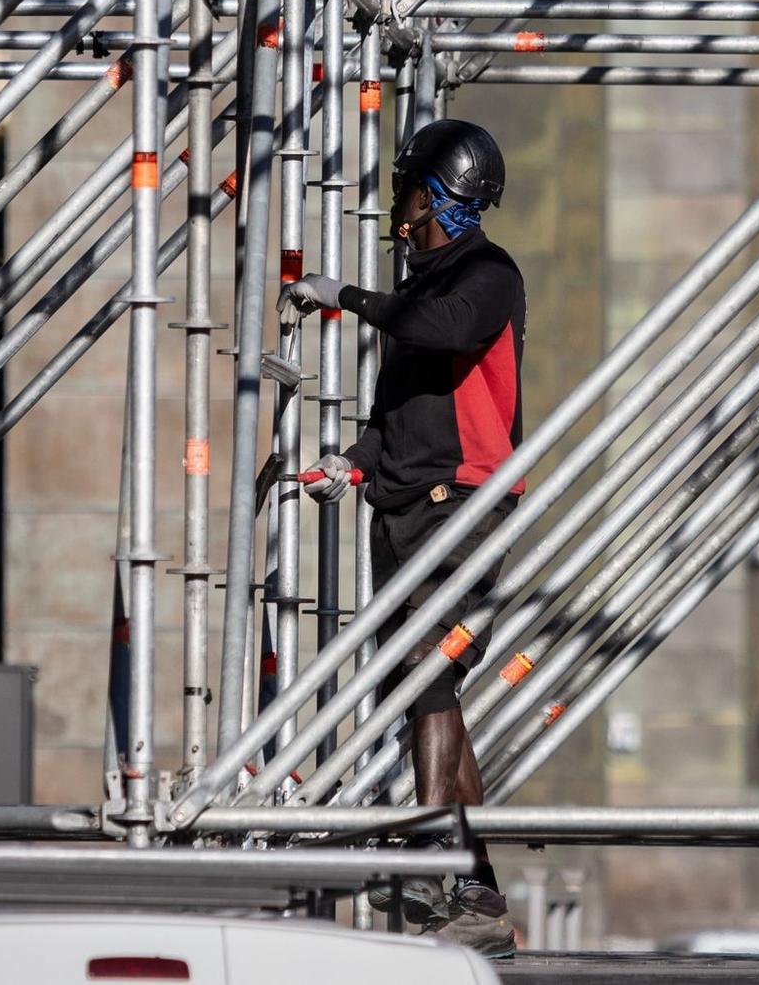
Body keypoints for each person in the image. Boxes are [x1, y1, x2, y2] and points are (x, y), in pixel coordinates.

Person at [278, 118, 523, 959]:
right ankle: (478, 891)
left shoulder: (484, 274)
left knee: (429, 670)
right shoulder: (421, 289)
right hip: (409, 503)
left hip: (464, 504)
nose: (400, 205)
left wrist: (344, 296)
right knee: (429, 690)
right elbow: (399, 413)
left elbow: (441, 333)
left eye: (411, 188)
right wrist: (349, 464)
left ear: (442, 194)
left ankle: (430, 853)